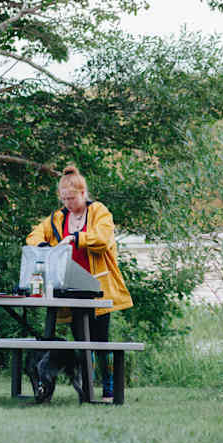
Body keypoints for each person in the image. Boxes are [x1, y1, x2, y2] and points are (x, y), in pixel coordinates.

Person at [25, 166, 132, 402]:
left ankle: (109, 389)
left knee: (101, 339)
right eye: (64, 199)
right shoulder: (58, 217)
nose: (68, 203)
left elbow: (103, 240)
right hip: (70, 287)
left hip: (97, 286)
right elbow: (33, 235)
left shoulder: (99, 212)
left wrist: (75, 238)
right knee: (81, 340)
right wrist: (43, 247)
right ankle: (86, 388)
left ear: (83, 193)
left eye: (72, 198)